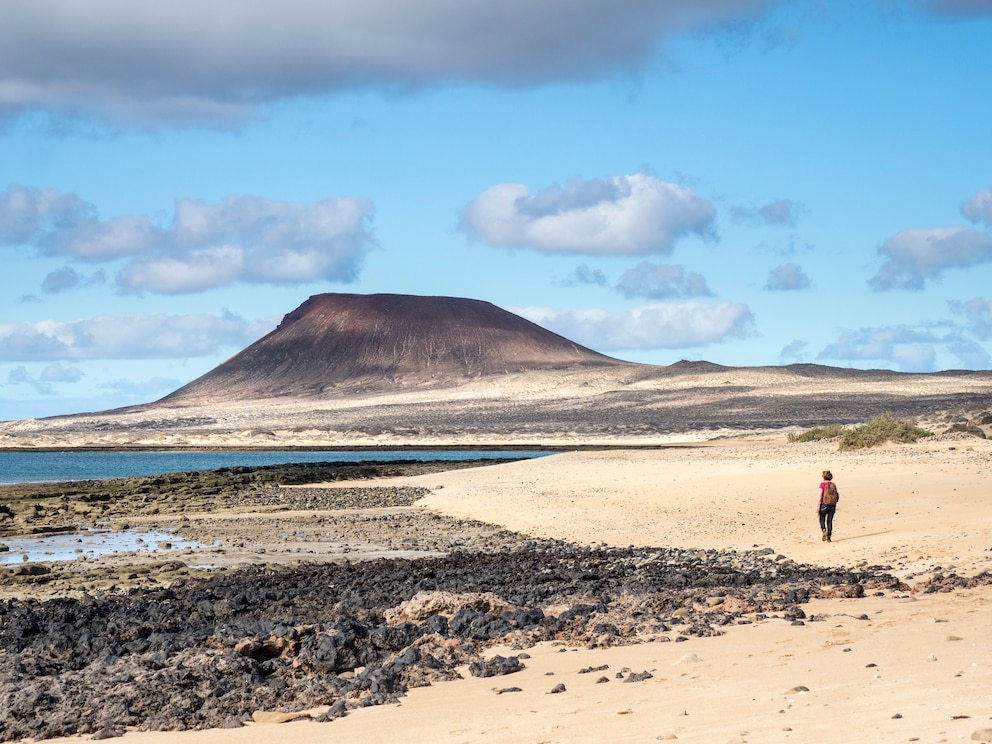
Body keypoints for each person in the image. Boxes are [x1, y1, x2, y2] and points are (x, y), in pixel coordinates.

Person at [817, 470, 839, 542]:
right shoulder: (833, 485)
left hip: (824, 504)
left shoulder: (822, 485)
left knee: (822, 519)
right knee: (829, 521)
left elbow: (820, 496)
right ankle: (829, 537)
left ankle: (823, 530)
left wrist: (817, 505)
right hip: (832, 505)